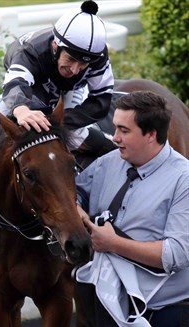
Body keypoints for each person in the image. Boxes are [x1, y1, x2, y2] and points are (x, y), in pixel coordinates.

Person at [75, 91, 189, 327]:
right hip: (101, 300)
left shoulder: (184, 179)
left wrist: (113, 244)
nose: (114, 137)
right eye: (115, 127)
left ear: (151, 135)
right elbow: (72, 193)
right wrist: (78, 212)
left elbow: (175, 254)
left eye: (124, 130)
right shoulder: (107, 163)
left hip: (159, 311)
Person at [0, 0, 115, 158]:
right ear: (56, 46)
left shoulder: (99, 56)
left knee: (70, 140)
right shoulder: (29, 50)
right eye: (70, 59)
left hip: (70, 92)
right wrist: (21, 110)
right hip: (29, 92)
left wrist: (58, 123)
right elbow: (16, 83)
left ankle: (113, 147)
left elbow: (101, 100)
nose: (75, 70)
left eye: (84, 63)